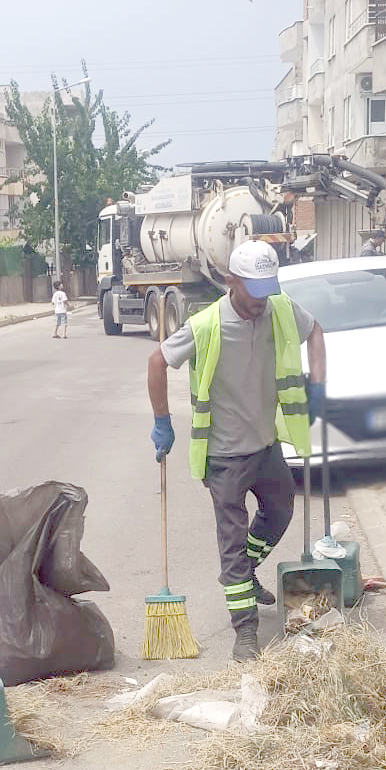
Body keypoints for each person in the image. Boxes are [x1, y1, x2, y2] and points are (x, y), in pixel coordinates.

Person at [146, 240, 326, 661]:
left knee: (280, 511)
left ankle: (244, 573)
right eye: (255, 292)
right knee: (231, 541)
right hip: (225, 456)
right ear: (231, 282)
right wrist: (162, 420)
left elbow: (315, 332)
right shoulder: (207, 325)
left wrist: (317, 384)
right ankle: (245, 631)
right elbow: (157, 362)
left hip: (266, 446)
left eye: (268, 291)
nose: (262, 302)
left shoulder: (279, 308)